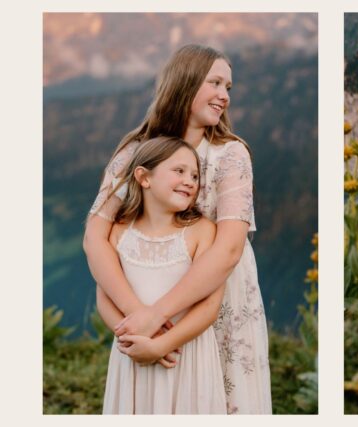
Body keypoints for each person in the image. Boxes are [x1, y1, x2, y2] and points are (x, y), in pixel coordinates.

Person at [83, 44, 271, 413]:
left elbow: (229, 249)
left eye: (228, 87)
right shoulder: (135, 152)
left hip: (217, 293)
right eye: (215, 82)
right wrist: (139, 316)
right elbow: (95, 237)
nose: (224, 95)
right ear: (185, 81)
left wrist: (157, 316)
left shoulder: (231, 154)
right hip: (146, 290)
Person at [97, 137, 226, 414]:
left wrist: (161, 345)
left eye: (195, 175)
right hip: (132, 354)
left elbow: (209, 307)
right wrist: (135, 341)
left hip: (184, 354)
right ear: (144, 177)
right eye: (179, 171)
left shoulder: (203, 231)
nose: (190, 181)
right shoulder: (119, 232)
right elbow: (105, 298)